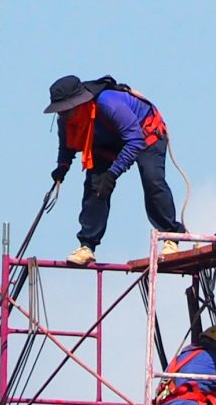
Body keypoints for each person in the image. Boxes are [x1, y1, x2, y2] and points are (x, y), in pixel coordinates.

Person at [46, 74, 187, 264]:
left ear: (78, 103)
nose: (62, 114)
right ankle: (86, 246)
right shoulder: (64, 120)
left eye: (66, 110)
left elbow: (135, 141)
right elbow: (67, 146)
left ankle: (171, 236)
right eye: (60, 111)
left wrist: (112, 174)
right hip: (109, 141)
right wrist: (62, 167)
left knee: (152, 179)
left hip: (144, 133)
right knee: (95, 187)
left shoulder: (108, 104)